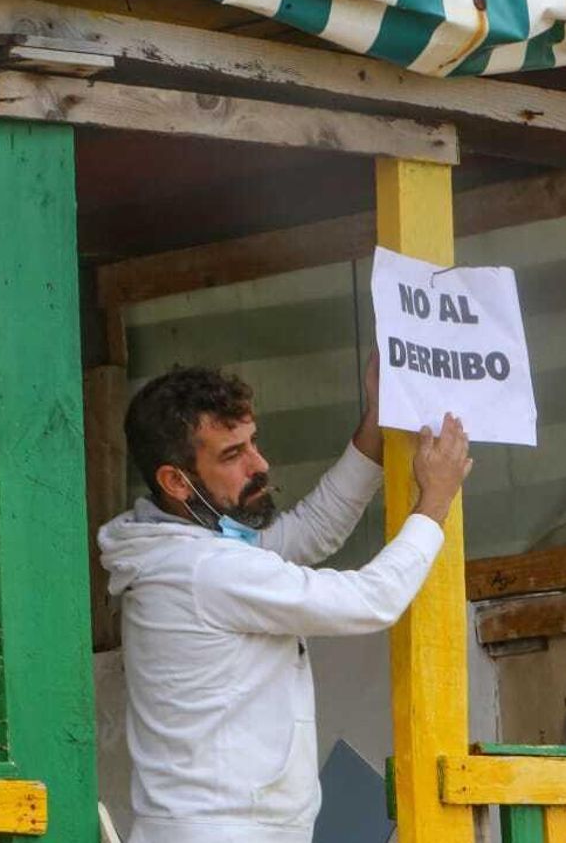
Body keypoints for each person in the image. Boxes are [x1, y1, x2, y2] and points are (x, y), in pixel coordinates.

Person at [97, 358, 472, 843]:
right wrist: (434, 503)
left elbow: (310, 531)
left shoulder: (193, 551)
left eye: (253, 442)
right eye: (233, 455)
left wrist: (377, 422)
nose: (260, 464)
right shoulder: (204, 570)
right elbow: (371, 601)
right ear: (175, 482)